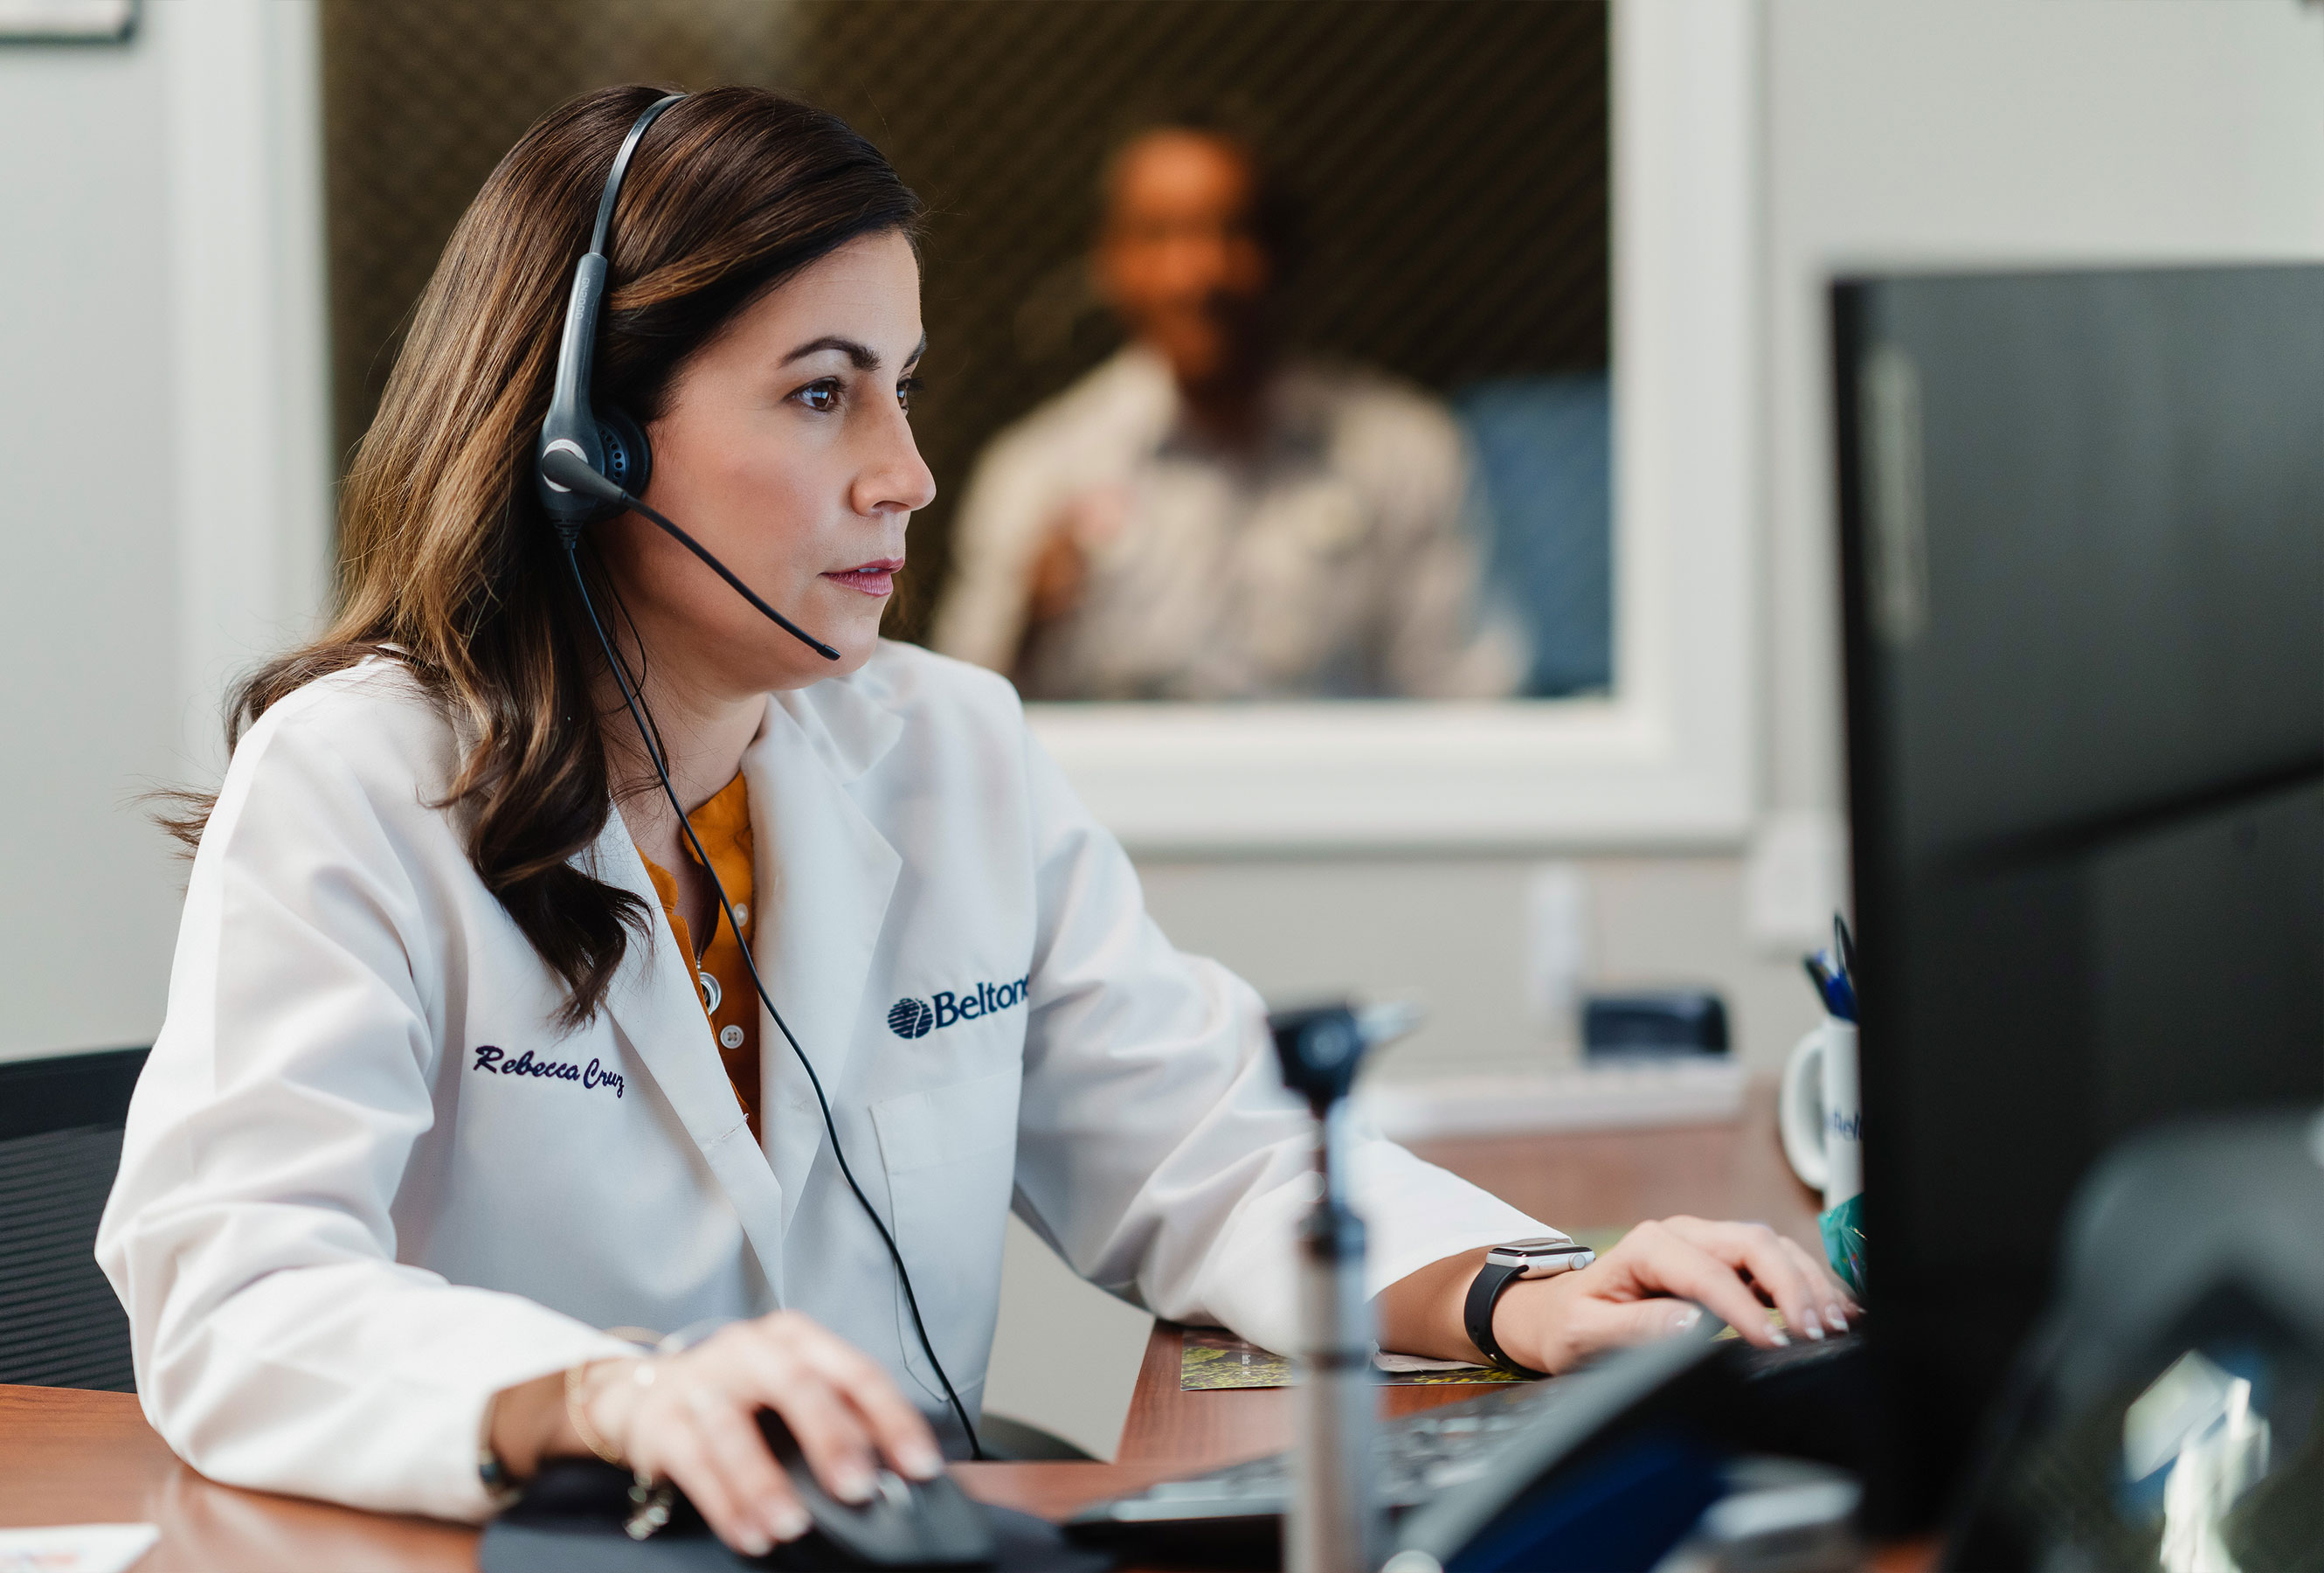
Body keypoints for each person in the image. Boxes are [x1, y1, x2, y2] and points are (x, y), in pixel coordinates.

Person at [97, 86, 1852, 1556]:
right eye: (821, 390)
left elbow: (1207, 1149)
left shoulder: (951, 750)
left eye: (906, 385)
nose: (907, 473)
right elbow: (235, 1297)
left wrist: (1524, 1287)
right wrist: (600, 1392)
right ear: (588, 442)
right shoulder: (356, 781)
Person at [930, 121, 1523, 700]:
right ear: (1112, 262)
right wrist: (1030, 627)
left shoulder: (1405, 455)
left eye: (1232, 231)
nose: (1199, 274)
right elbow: (960, 734)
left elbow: (1466, 699)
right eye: (1160, 235)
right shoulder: (1038, 472)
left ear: (1283, 253)